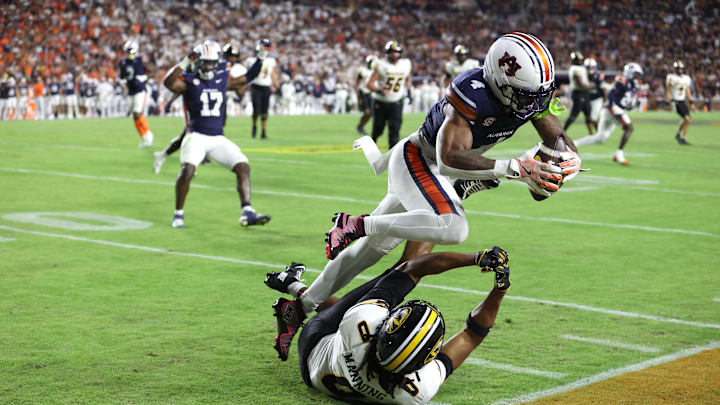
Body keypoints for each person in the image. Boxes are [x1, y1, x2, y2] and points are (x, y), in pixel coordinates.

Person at [269, 32, 582, 359]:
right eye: (526, 95)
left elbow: (556, 136)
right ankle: (357, 224)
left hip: (439, 169)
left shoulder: (524, 95)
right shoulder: (472, 93)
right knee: (453, 227)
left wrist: (568, 160)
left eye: (537, 95)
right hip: (421, 159)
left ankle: (298, 307)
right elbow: (449, 156)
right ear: (500, 82)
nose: (533, 103)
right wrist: (516, 167)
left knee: (369, 252)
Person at [264, 246, 510, 404]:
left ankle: (294, 290)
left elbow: (412, 269)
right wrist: (500, 290)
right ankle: (292, 292)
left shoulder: (363, 323)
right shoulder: (417, 391)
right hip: (328, 377)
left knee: (391, 276)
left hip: (315, 349)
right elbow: (471, 336)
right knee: (369, 299)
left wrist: (476, 258)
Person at [163, 40, 271, 228]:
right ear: (197, 61)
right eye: (204, 62)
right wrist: (184, 62)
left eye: (211, 62)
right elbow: (168, 82)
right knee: (187, 171)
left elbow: (248, 77)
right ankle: (178, 213)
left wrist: (262, 56)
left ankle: (247, 212)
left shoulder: (222, 79)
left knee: (243, 166)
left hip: (217, 137)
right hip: (195, 136)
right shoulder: (189, 80)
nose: (208, 66)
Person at [574, 62, 643, 165]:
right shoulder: (622, 80)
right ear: (629, 72)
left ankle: (574, 143)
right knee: (629, 128)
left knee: (600, 138)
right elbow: (612, 95)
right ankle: (618, 154)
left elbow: (627, 103)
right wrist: (613, 108)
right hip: (612, 109)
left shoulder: (632, 85)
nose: (637, 77)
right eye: (635, 74)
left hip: (612, 110)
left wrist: (633, 103)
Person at [366, 41, 412, 149]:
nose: (394, 54)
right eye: (392, 52)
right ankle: (373, 142)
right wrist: (380, 91)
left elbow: (407, 78)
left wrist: (409, 91)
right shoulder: (381, 65)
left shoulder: (405, 64)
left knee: (395, 129)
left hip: (396, 102)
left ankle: (392, 155)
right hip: (380, 102)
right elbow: (369, 84)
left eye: (396, 52)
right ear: (387, 52)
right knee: (378, 128)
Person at [119, 40, 155, 147]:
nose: (130, 53)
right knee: (134, 116)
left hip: (140, 89)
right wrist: (123, 80)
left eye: (132, 51)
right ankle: (144, 137)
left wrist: (145, 77)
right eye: (129, 51)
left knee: (137, 113)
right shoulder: (123, 62)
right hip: (131, 90)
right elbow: (122, 76)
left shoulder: (140, 60)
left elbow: (152, 70)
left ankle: (148, 134)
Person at [244, 38, 278, 139]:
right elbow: (248, 74)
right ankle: (254, 127)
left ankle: (263, 132)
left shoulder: (271, 61)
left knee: (264, 111)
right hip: (255, 86)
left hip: (266, 87)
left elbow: (272, 73)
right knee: (256, 110)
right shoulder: (251, 60)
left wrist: (275, 83)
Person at [563, 51, 594, 133]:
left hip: (584, 93)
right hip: (579, 93)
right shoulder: (574, 68)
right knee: (573, 115)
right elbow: (580, 83)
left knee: (588, 115)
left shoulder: (581, 68)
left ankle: (592, 134)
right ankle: (562, 132)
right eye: (579, 59)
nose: (580, 61)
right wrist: (590, 87)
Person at [665, 60, 693, 145]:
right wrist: (668, 99)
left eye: (681, 68)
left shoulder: (686, 78)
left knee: (687, 120)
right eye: (678, 68)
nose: (680, 70)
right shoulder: (671, 77)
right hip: (675, 101)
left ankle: (678, 134)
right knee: (687, 119)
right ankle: (683, 138)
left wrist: (691, 103)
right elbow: (668, 89)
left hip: (682, 101)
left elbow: (688, 91)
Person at [584, 57, 607, 133]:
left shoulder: (598, 75)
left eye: (591, 67)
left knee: (593, 118)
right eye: (588, 67)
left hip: (597, 98)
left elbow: (603, 88)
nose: (590, 69)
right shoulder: (582, 75)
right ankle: (591, 134)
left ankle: (599, 132)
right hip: (587, 98)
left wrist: (605, 100)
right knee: (588, 117)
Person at [356, 55, 375, 135]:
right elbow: (357, 82)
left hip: (371, 93)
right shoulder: (362, 70)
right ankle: (360, 126)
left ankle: (361, 126)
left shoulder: (375, 72)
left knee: (370, 113)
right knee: (367, 112)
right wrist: (357, 94)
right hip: (363, 92)